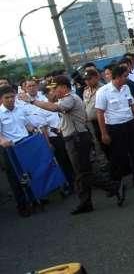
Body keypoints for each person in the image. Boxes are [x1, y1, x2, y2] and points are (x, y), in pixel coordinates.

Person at [21, 75, 96, 215]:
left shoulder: (70, 98)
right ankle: (87, 202)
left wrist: (32, 100)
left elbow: (55, 108)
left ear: (64, 87)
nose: (54, 91)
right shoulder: (65, 98)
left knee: (82, 173)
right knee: (81, 172)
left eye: (56, 88)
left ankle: (110, 187)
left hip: (77, 138)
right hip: (73, 138)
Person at [95, 65, 134, 206]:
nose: (126, 79)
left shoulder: (125, 88)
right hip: (114, 127)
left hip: (130, 123)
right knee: (117, 156)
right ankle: (116, 184)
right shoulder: (103, 92)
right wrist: (104, 133)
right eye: (124, 76)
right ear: (117, 77)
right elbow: (100, 113)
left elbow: (132, 106)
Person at [0, 85, 36, 216]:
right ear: (1, 99)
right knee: (15, 178)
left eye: (12, 97)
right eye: (6, 97)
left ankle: (36, 198)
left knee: (30, 172)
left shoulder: (20, 110)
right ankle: (22, 205)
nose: (10, 99)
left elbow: (27, 125)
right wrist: (3, 141)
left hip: (25, 145)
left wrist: (34, 129)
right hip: (11, 149)